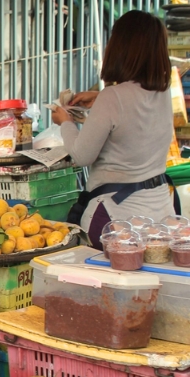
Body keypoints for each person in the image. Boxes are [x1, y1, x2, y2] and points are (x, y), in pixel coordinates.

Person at [52, 10, 176, 249]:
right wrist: (99, 99)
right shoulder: (163, 93)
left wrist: (65, 122)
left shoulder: (113, 98)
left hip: (117, 221)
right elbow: (136, 110)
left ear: (121, 47)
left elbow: (82, 155)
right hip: (161, 217)